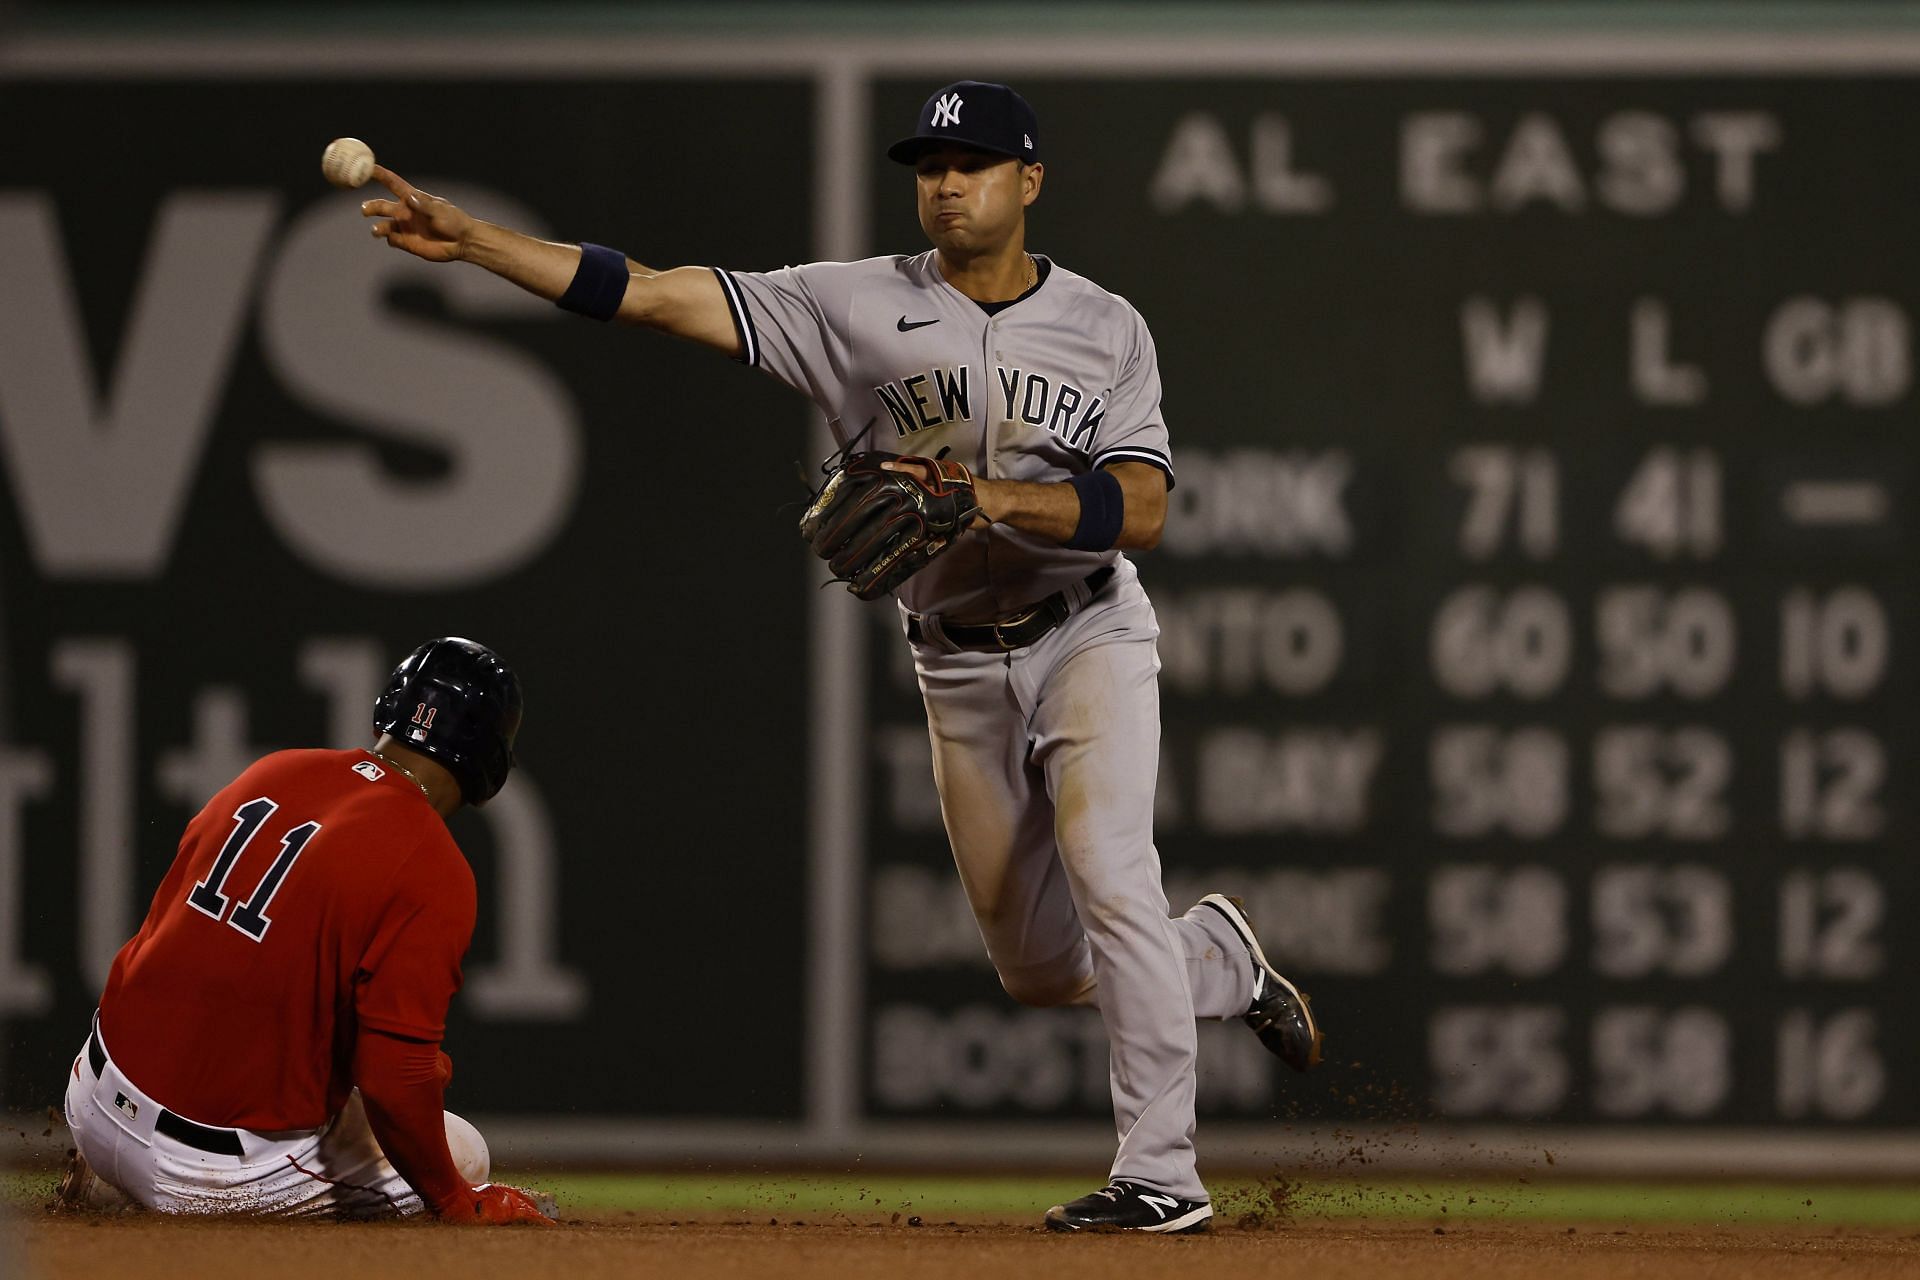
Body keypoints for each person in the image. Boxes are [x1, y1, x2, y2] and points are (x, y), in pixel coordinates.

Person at [359, 80, 1322, 1234]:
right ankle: (1213, 957)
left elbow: (1145, 510)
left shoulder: (1108, 326)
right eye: (929, 165)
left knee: (1112, 866)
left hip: (1090, 632)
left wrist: (983, 497)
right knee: (1041, 968)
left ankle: (1160, 1172)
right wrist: (475, 244)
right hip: (954, 661)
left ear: (1031, 181)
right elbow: (652, 295)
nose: (947, 183)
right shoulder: (849, 305)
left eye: (972, 163)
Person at [58, 638, 553, 1224]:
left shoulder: (277, 768)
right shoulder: (435, 866)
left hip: (90, 1097)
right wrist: (451, 1198)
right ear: (489, 761)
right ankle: (151, 1188)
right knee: (463, 1153)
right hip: (201, 1171)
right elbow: (394, 1081)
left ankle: (111, 1176)